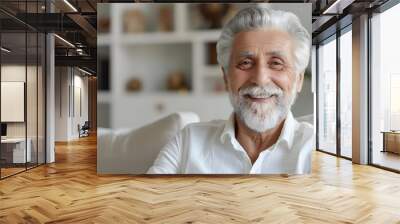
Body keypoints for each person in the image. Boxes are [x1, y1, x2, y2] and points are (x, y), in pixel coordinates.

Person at [147, 6, 314, 174]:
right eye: (245, 62)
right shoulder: (189, 142)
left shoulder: (317, 148)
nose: (260, 78)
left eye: (276, 63)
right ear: (226, 77)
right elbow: (146, 197)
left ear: (298, 79)